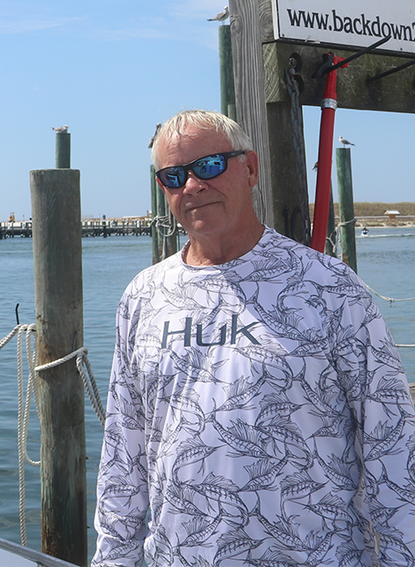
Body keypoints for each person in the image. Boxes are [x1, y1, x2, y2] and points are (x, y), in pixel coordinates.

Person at [93, 109, 415, 566]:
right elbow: (123, 453)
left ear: (251, 168)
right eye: (172, 175)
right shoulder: (143, 297)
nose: (192, 186)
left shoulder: (330, 287)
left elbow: (393, 444)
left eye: (209, 166)